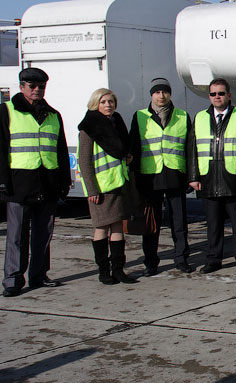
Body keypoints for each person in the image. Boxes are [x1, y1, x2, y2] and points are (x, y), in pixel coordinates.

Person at [0, 67, 72, 297]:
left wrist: (64, 181)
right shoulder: (7, 111)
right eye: (32, 86)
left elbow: (60, 150)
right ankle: (13, 279)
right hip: (19, 183)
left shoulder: (53, 114)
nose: (37, 90)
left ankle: (39, 275)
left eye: (41, 86)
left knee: (43, 234)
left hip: (48, 183)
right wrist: (3, 181)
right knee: (17, 236)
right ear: (22, 87)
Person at [187, 78, 236, 274]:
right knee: (213, 225)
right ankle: (213, 260)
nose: (217, 97)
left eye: (221, 93)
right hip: (209, 179)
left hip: (234, 178)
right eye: (213, 94)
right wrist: (193, 176)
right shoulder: (200, 117)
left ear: (229, 95)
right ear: (209, 96)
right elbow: (192, 149)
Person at [129, 77, 193, 275]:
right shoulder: (140, 116)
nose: (161, 96)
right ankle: (151, 262)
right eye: (157, 92)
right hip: (150, 177)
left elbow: (189, 148)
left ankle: (181, 259)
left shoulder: (182, 116)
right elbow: (134, 148)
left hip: (175, 174)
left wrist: (191, 176)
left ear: (170, 94)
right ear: (152, 95)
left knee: (179, 222)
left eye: (165, 92)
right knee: (151, 223)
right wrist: (135, 179)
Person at [78, 89, 138, 285]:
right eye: (103, 102)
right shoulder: (89, 127)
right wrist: (91, 189)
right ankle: (104, 271)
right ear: (95, 103)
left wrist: (127, 157)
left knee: (118, 227)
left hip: (118, 183)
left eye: (111, 101)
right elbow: (84, 161)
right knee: (101, 228)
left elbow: (122, 150)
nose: (108, 105)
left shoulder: (116, 122)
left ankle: (118, 270)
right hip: (101, 188)